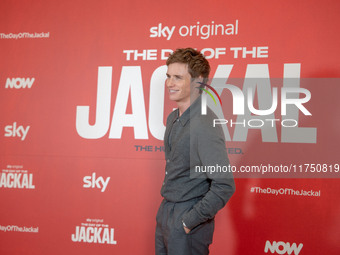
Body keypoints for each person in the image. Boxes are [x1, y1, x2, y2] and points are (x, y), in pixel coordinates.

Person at [155, 48, 235, 255]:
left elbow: (224, 185)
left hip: (187, 220)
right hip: (166, 212)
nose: (169, 83)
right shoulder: (173, 118)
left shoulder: (204, 123)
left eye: (178, 77)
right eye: (168, 76)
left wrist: (188, 222)